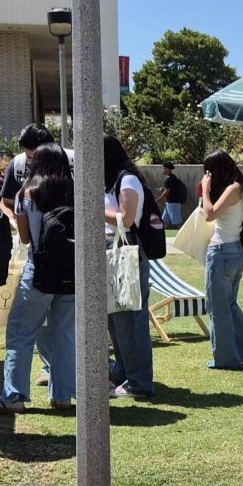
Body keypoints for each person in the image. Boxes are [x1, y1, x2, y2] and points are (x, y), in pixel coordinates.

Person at [0, 143, 75, 415]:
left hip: (41, 269)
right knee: (65, 334)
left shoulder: (28, 193)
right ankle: (63, 396)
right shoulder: (74, 191)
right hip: (71, 269)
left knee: (20, 333)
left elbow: (24, 237)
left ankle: (14, 396)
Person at [105, 135, 155, 399]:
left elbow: (125, 218)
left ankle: (139, 381)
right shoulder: (114, 181)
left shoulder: (127, 180)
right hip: (114, 253)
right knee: (116, 320)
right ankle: (124, 374)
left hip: (124, 251)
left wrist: (91, 209)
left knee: (131, 321)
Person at [200, 150, 243, 370]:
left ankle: (226, 358)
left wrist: (204, 188)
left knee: (218, 308)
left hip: (221, 253)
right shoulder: (240, 188)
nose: (208, 175)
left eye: (210, 171)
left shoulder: (233, 189)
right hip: (233, 252)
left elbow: (209, 213)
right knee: (229, 305)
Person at [0, 123, 56, 222]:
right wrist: (14, 221)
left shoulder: (70, 164)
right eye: (29, 157)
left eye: (39, 158)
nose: (34, 163)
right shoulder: (17, 165)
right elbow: (5, 203)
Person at [158, 162, 189, 229]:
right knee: (164, 220)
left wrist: (157, 200)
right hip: (170, 203)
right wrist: (164, 190)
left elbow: (166, 192)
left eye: (163, 168)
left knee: (177, 222)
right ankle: (161, 236)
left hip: (173, 203)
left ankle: (183, 236)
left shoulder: (168, 179)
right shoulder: (173, 177)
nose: (162, 170)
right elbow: (170, 190)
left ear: (167, 169)